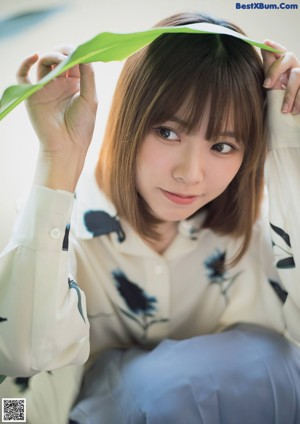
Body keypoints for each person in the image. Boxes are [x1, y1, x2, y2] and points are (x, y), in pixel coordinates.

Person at [0, 11, 300, 424]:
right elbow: (20, 359)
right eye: (168, 133)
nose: (190, 174)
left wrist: (290, 147)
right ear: (129, 119)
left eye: (223, 145)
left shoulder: (261, 226)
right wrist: (58, 159)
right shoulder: (49, 224)